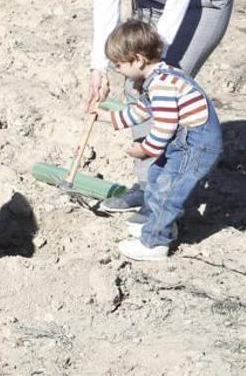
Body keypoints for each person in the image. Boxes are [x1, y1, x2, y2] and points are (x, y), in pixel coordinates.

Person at [55, 0, 233, 214]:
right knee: (135, 88)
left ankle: (165, 196)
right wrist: (99, 68)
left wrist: (153, 59)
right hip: (152, 4)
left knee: (163, 87)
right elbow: (106, 1)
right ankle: (148, 185)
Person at [94, 20, 222, 262]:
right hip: (184, 141)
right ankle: (160, 224)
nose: (117, 69)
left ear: (139, 60)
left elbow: (164, 126)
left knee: (168, 191)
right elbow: (140, 112)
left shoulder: (162, 84)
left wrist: (145, 149)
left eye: (119, 64)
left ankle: (154, 242)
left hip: (196, 144)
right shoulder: (157, 76)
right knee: (157, 178)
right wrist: (107, 118)